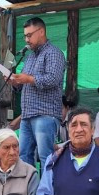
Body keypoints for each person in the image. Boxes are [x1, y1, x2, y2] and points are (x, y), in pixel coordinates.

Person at [10, 16, 66, 166]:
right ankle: (29, 189)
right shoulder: (29, 58)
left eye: (29, 35)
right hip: (27, 116)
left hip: (45, 114)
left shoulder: (54, 53)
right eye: (25, 36)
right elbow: (23, 85)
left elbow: (53, 79)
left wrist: (28, 79)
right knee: (23, 157)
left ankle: (47, 190)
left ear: (41, 31)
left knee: (46, 156)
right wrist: (14, 82)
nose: (27, 40)